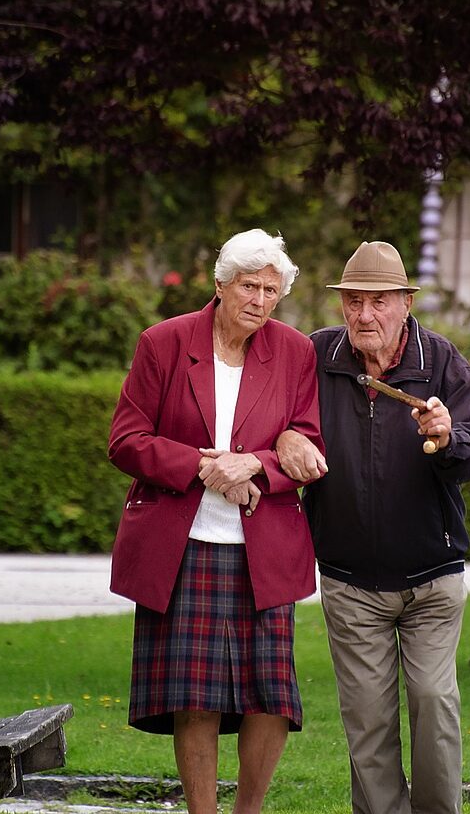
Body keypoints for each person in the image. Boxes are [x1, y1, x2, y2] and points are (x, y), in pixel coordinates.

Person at [107, 228, 325, 814]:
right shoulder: (164, 343)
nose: (259, 300)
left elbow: (307, 443)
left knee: (270, 697)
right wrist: (203, 465)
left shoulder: (296, 351)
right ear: (222, 284)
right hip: (184, 544)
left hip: (264, 544)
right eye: (249, 286)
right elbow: (126, 441)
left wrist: (257, 463)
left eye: (272, 290)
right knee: (195, 697)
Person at [277, 240, 470, 814]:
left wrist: (448, 437)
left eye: (378, 302)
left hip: (431, 576)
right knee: (367, 723)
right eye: (353, 301)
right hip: (350, 580)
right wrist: (286, 437)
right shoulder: (316, 357)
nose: (364, 315)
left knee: (432, 701)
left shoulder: (442, 362)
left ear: (405, 302)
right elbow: (272, 413)